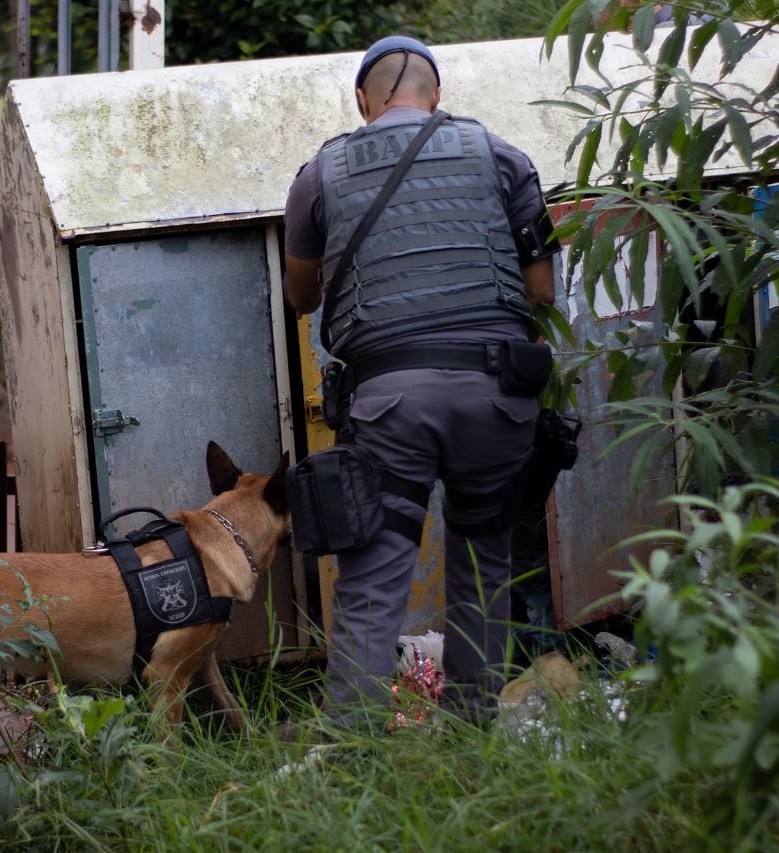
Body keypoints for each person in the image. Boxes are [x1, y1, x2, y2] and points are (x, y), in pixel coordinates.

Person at [282, 36, 562, 730]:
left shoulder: (320, 173)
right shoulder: (498, 154)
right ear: (437, 97)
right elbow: (543, 289)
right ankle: (471, 730)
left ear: (361, 101)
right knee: (482, 559)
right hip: (496, 395)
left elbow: (301, 297)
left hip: (391, 402)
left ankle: (349, 743)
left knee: (374, 575)